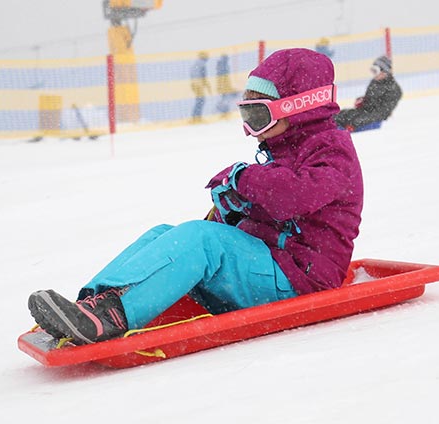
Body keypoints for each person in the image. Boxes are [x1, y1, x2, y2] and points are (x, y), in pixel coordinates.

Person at [27, 48, 364, 345]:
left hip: (300, 280)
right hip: (273, 266)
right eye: (246, 116)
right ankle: (94, 304)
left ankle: (112, 316)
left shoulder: (332, 150)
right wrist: (233, 207)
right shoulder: (285, 150)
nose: (250, 129)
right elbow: (276, 203)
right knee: (165, 234)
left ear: (299, 108)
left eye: (258, 116)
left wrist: (241, 178)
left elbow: (292, 195)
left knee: (201, 240)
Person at [334, 55, 402, 132]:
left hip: (375, 118)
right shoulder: (375, 82)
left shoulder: (394, 89)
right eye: (372, 70)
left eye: (375, 71)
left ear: (384, 72)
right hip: (364, 111)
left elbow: (383, 112)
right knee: (342, 114)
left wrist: (354, 123)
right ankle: (328, 126)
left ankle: (338, 131)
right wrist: (363, 100)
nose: (374, 74)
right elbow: (371, 98)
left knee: (353, 120)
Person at [189, 51, 212, 122]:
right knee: (200, 100)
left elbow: (192, 74)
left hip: (193, 84)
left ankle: (195, 117)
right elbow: (204, 76)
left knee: (199, 100)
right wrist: (208, 87)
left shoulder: (195, 63)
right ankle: (197, 117)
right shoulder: (202, 64)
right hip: (198, 85)